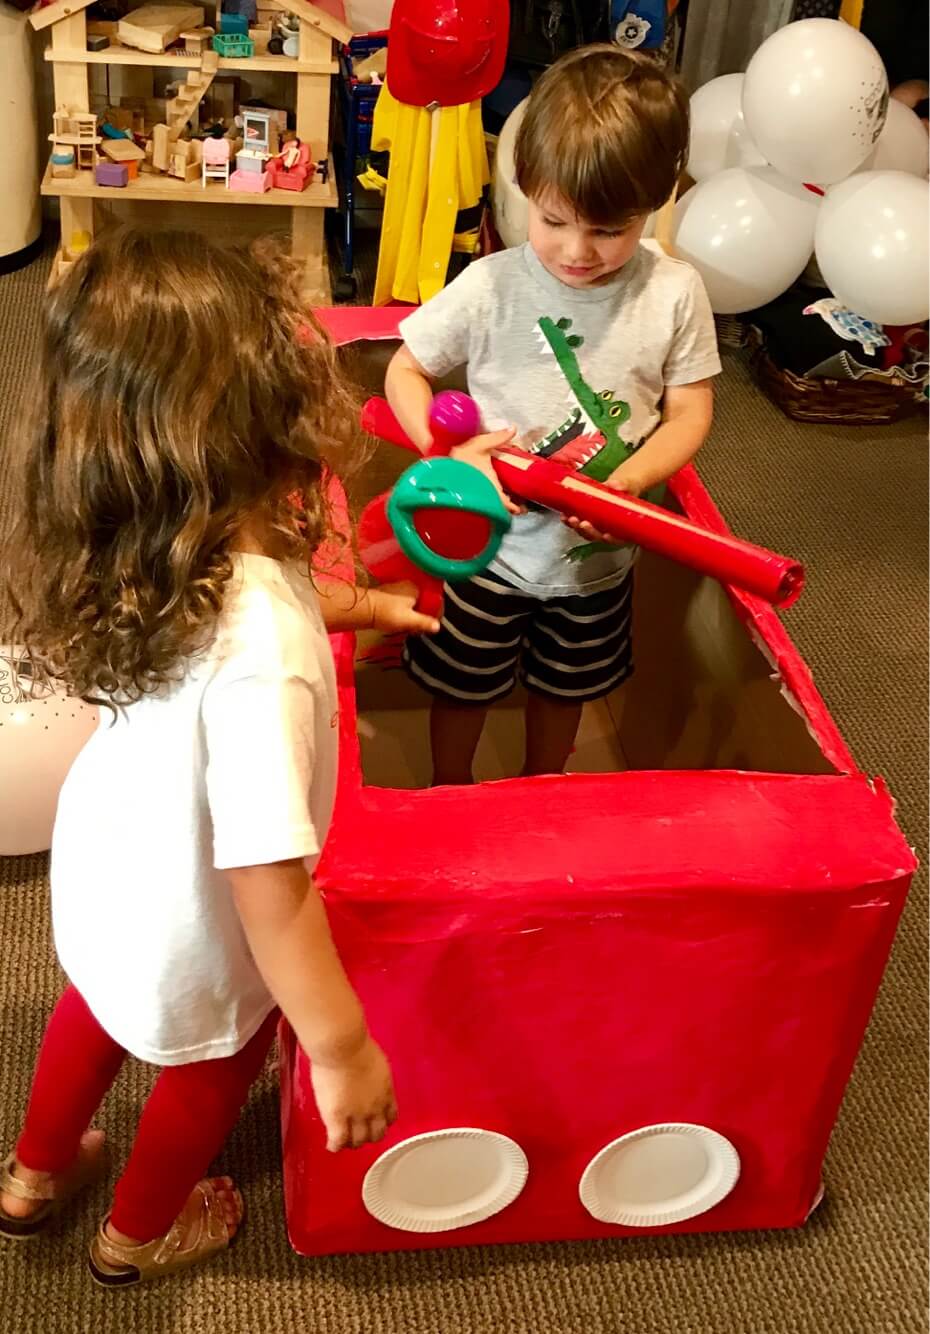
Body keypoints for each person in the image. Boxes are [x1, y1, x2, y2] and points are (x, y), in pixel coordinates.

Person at [0, 227, 445, 1285]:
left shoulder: (149, 535)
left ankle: (29, 1175)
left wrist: (361, 602)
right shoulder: (270, 663)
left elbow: (257, 596)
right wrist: (338, 1044)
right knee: (210, 1060)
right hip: (198, 917)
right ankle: (139, 1231)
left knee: (95, 1006)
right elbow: (268, 883)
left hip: (108, 872)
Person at [385, 44, 722, 784]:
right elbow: (405, 369)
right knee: (461, 686)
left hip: (598, 564)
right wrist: (448, 455)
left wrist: (628, 487)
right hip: (484, 551)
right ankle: (450, 791)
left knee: (565, 690)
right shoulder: (490, 284)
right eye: (554, 220)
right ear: (525, 186)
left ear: (657, 198)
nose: (577, 251)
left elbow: (691, 410)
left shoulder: (673, 292)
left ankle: (545, 793)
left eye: (609, 230)